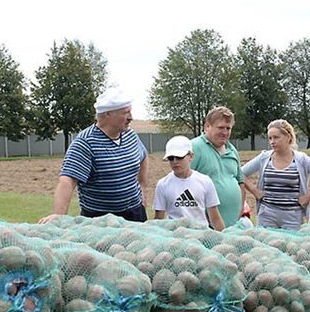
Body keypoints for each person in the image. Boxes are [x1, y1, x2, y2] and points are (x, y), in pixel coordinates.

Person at [39, 87, 149, 224]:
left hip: (135, 215)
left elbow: (143, 156)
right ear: (108, 114)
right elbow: (67, 181)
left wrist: (143, 189)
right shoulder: (85, 143)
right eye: (126, 113)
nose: (131, 117)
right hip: (99, 221)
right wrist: (58, 216)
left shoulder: (130, 136)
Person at [242, 119, 310, 230]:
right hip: (266, 215)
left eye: (276, 137)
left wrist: (307, 197)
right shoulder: (264, 158)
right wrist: (254, 191)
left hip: (292, 217)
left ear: (288, 137)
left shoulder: (301, 160)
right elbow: (240, 173)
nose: (272, 141)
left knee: (290, 247)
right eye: (270, 138)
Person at [153, 136, 225, 231]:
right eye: (171, 158)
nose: (175, 162)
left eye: (179, 157)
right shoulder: (163, 184)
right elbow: (159, 220)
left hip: (201, 234)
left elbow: (215, 217)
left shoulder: (205, 181)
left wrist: (223, 237)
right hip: (174, 237)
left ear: (190, 156)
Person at [190, 106, 245, 228]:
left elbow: (240, 182)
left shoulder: (232, 150)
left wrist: (240, 208)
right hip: (205, 225)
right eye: (220, 128)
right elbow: (183, 182)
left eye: (228, 128)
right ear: (207, 126)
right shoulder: (194, 147)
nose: (225, 132)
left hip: (232, 223)